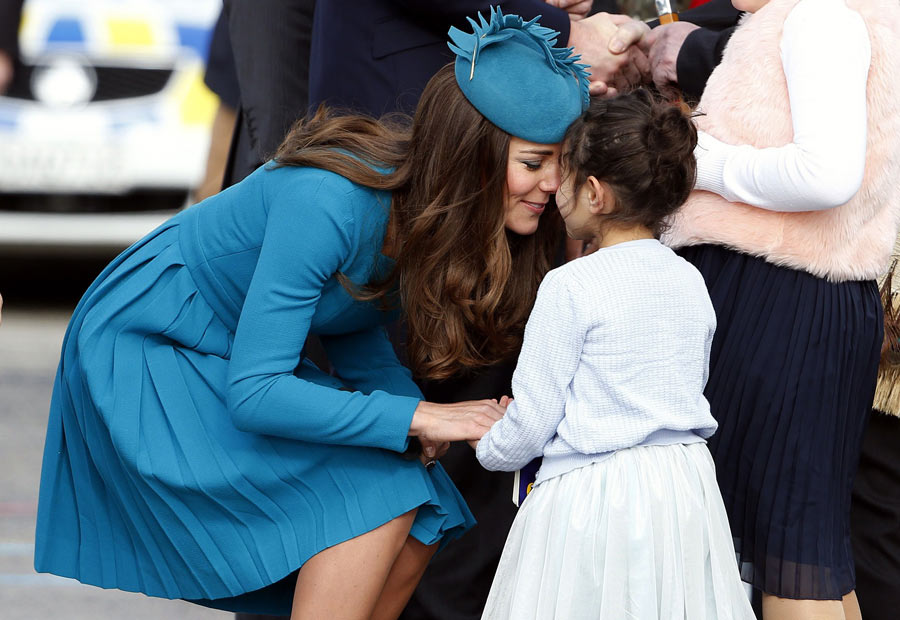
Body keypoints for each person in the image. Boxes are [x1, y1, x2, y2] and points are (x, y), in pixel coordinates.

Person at [32, 9, 590, 619]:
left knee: (423, 501)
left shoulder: (428, 217)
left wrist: (422, 428)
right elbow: (257, 392)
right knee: (376, 495)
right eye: (534, 163)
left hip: (226, 348)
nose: (552, 183)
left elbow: (357, 335)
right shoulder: (329, 201)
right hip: (150, 343)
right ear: (469, 156)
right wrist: (422, 414)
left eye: (561, 162)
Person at [474, 89, 754, 620]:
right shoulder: (690, 279)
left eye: (567, 174)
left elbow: (532, 423)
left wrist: (490, 444)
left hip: (595, 493)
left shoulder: (569, 285)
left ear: (596, 194)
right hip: (682, 489)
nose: (555, 187)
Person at [659, 0, 900, 617]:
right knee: (807, 549)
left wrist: (703, 164)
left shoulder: (820, 17)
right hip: (799, 296)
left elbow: (825, 176)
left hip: (780, 297)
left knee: (789, 556)